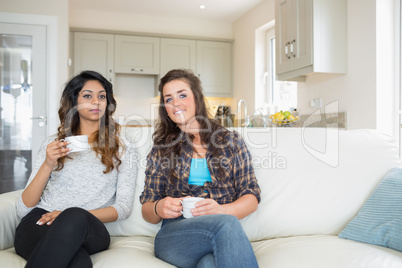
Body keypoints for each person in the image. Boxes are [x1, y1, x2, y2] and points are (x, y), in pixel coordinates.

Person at [14, 70, 137, 268]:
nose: (96, 102)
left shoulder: (124, 147)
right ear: (74, 102)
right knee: (78, 263)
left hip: (89, 227)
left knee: (74, 215)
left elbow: (123, 207)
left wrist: (67, 215)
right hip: (40, 222)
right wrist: (48, 164)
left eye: (102, 96)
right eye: (87, 96)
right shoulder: (53, 144)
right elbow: (23, 208)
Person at [140, 69, 261, 267]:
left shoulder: (230, 141)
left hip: (219, 234)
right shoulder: (162, 148)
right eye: (168, 99)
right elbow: (148, 211)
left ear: (197, 97)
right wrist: (159, 207)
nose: (175, 103)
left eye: (182, 95)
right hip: (175, 235)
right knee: (226, 223)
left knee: (209, 264)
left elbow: (251, 197)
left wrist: (221, 210)